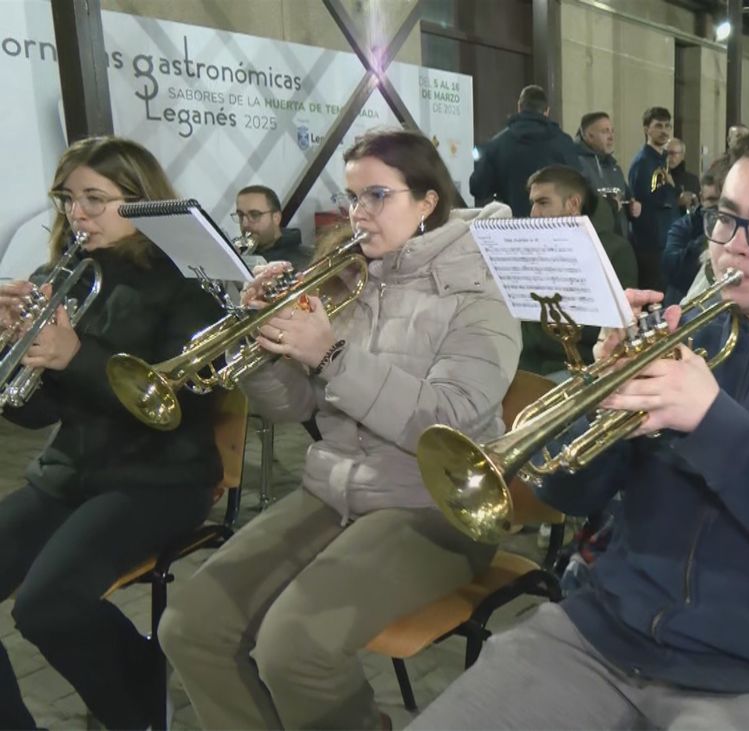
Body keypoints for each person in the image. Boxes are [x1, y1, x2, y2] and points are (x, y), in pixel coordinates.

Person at [413, 118, 749, 731]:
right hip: (605, 632)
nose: (733, 246)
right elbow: (565, 492)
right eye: (727, 217)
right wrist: (597, 395)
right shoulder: (686, 331)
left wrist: (712, 422)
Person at [157, 129, 522, 730]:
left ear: (428, 202)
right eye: (352, 197)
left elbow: (451, 422)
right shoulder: (348, 276)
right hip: (333, 490)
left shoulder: (479, 291)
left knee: (294, 650)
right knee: (191, 626)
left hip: (437, 507)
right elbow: (290, 404)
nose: (358, 214)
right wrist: (267, 345)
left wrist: (332, 356)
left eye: (377, 195)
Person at [0, 136, 224, 730]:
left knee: (47, 607)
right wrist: (14, 352)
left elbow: (172, 403)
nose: (78, 214)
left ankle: (141, 708)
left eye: (95, 199)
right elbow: (33, 414)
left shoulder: (189, 281)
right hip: (70, 471)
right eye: (68, 198)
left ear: (141, 201)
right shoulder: (62, 275)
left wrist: (74, 355)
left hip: (161, 474)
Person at [521, 164, 638, 377]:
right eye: (533, 203)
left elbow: (614, 329)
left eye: (543, 203)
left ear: (573, 204)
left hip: (580, 368)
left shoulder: (614, 251)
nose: (533, 214)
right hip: (527, 365)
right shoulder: (533, 247)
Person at [470, 85, 580, 216]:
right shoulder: (564, 142)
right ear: (547, 111)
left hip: (512, 228)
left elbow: (478, 188)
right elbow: (579, 185)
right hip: (555, 227)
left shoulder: (498, 143)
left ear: (519, 108)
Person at [628, 106, 678, 291]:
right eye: (658, 126)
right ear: (646, 129)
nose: (664, 131)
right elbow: (651, 201)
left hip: (664, 240)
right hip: (652, 245)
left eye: (667, 126)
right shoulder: (644, 163)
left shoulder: (661, 161)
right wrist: (672, 190)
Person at [661, 159, 724, 305]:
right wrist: (710, 237)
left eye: (723, 202)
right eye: (712, 201)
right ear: (701, 197)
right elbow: (671, 267)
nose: (718, 209)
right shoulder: (683, 226)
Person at [574, 111, 635, 238]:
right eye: (605, 131)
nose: (611, 137)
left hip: (618, 241)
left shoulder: (613, 166)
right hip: (593, 239)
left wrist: (633, 205)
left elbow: (626, 196)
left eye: (612, 131)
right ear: (589, 136)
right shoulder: (577, 163)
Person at [232, 184, 312, 269]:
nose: (245, 224)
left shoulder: (305, 261)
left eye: (254, 215)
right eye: (240, 215)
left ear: (276, 218)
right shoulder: (241, 252)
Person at [666, 137, 701, 212]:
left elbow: (698, 207)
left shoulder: (692, 180)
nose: (668, 157)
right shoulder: (657, 177)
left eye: (672, 153)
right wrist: (677, 202)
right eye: (665, 153)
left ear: (682, 155)